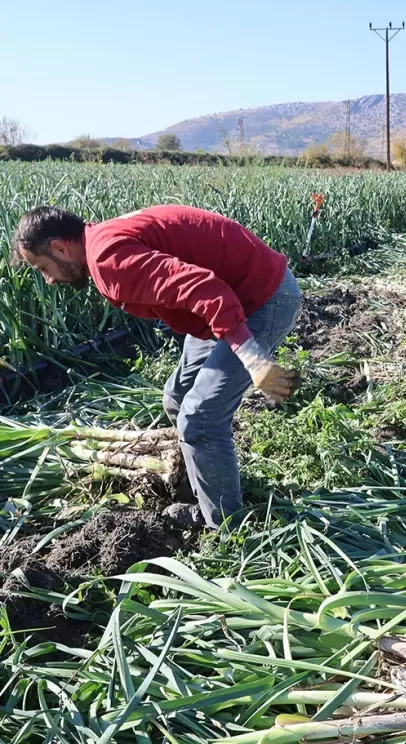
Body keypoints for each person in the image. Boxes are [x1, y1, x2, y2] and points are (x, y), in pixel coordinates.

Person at [10, 205, 302, 531]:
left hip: (260, 298)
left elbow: (204, 288)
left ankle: (227, 528)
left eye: (43, 267)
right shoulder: (101, 242)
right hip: (226, 302)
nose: (49, 280)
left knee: (200, 419)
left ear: (60, 248)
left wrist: (252, 358)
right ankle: (212, 489)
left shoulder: (107, 259)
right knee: (177, 398)